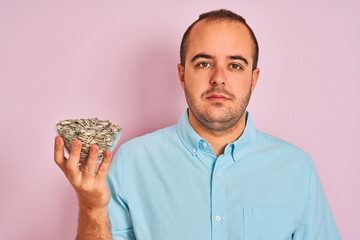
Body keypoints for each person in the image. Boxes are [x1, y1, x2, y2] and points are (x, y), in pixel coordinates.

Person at [54, 9, 341, 240]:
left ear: (253, 79)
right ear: (182, 75)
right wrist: (92, 206)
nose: (218, 77)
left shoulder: (296, 168)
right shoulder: (132, 162)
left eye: (235, 65)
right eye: (204, 63)